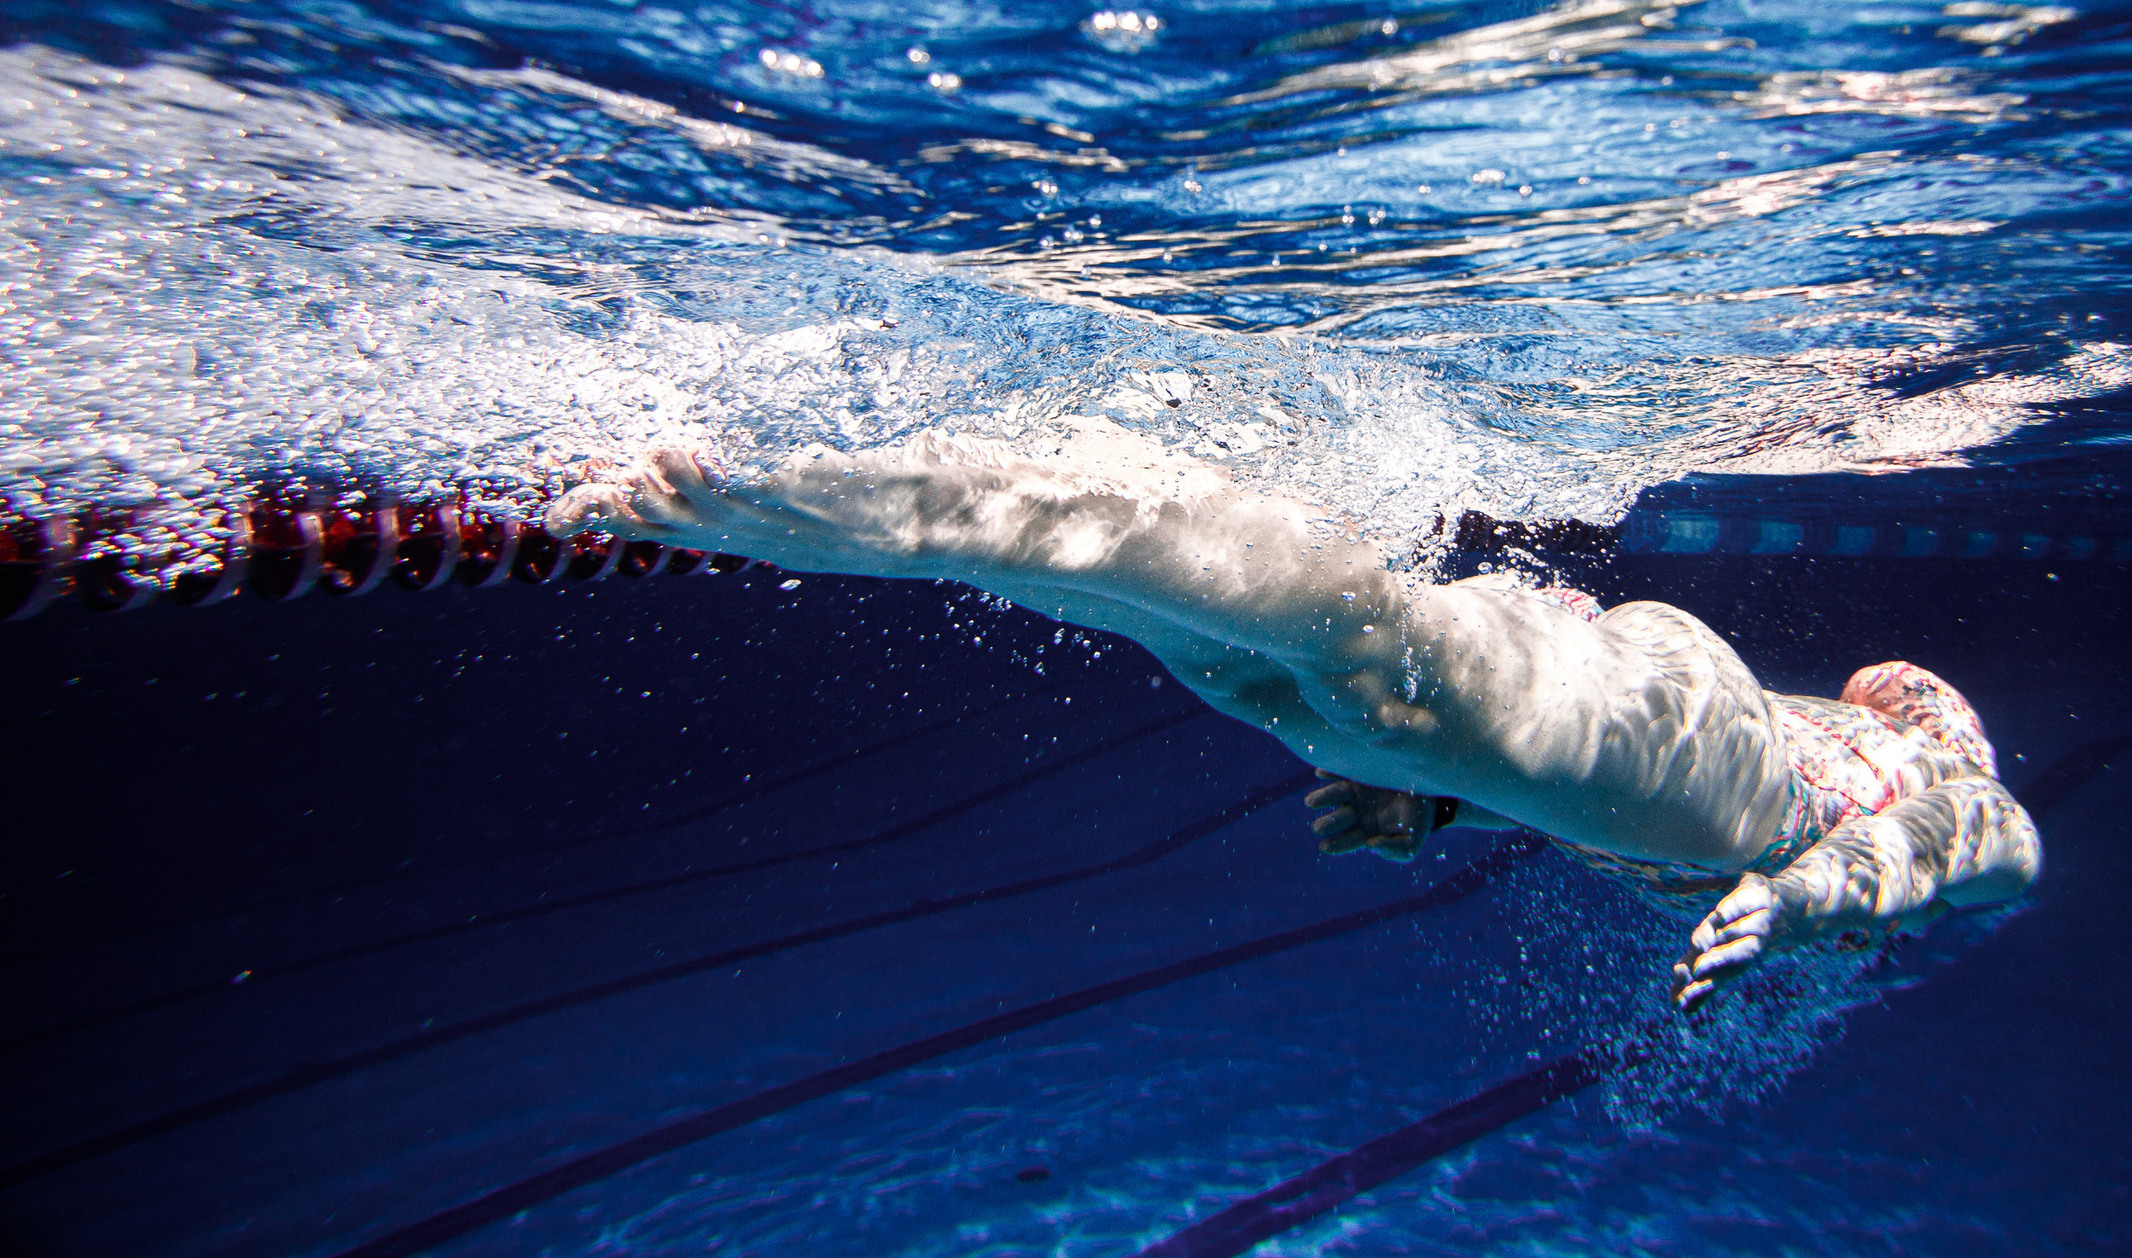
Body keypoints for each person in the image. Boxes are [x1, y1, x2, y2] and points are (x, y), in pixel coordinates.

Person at [549, 424, 2042, 1009]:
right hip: (1705, 784)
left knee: (1234, 658)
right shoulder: (1985, 815)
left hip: (1641, 729)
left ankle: (959, 492)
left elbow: (1896, 825)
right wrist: (1795, 904)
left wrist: (1437, 808)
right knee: (1359, 646)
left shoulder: (1895, 746)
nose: (1893, 694)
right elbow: (1932, 842)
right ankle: (840, 509)